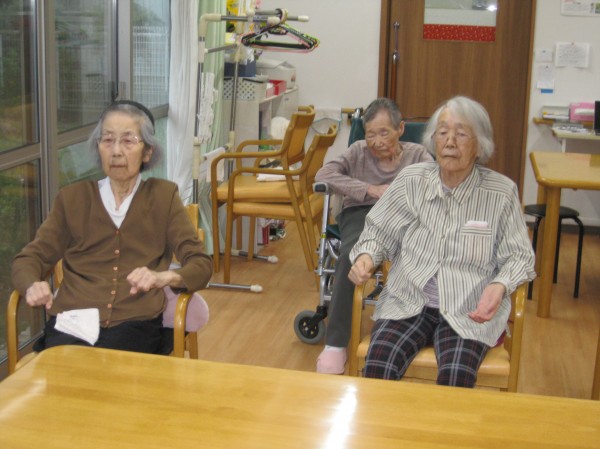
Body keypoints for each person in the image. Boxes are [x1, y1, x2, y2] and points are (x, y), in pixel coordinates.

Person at [348, 96, 536, 387]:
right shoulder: (412, 180)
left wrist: (500, 285)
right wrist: (366, 257)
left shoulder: (500, 192)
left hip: (468, 309)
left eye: (461, 134)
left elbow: (519, 256)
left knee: (456, 376)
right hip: (408, 301)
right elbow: (378, 231)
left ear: (480, 144)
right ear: (432, 139)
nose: (450, 142)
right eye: (443, 132)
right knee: (379, 363)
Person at [11, 100, 213, 354]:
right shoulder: (73, 199)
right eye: (107, 140)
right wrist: (32, 284)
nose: (116, 151)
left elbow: (201, 264)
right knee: (64, 374)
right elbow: (31, 257)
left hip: (135, 324)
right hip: (72, 324)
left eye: (128, 141)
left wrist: (163, 277)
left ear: (147, 152)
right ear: (98, 149)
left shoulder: (163, 197)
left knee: (117, 374)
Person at [315, 98, 433, 374]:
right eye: (370, 134)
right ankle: (335, 344)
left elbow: (435, 183)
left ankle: (417, 326)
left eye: (384, 133)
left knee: (421, 252)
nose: (377, 142)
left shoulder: (418, 154)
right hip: (360, 212)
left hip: (404, 216)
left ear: (400, 129)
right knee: (351, 254)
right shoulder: (357, 151)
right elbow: (324, 174)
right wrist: (369, 189)